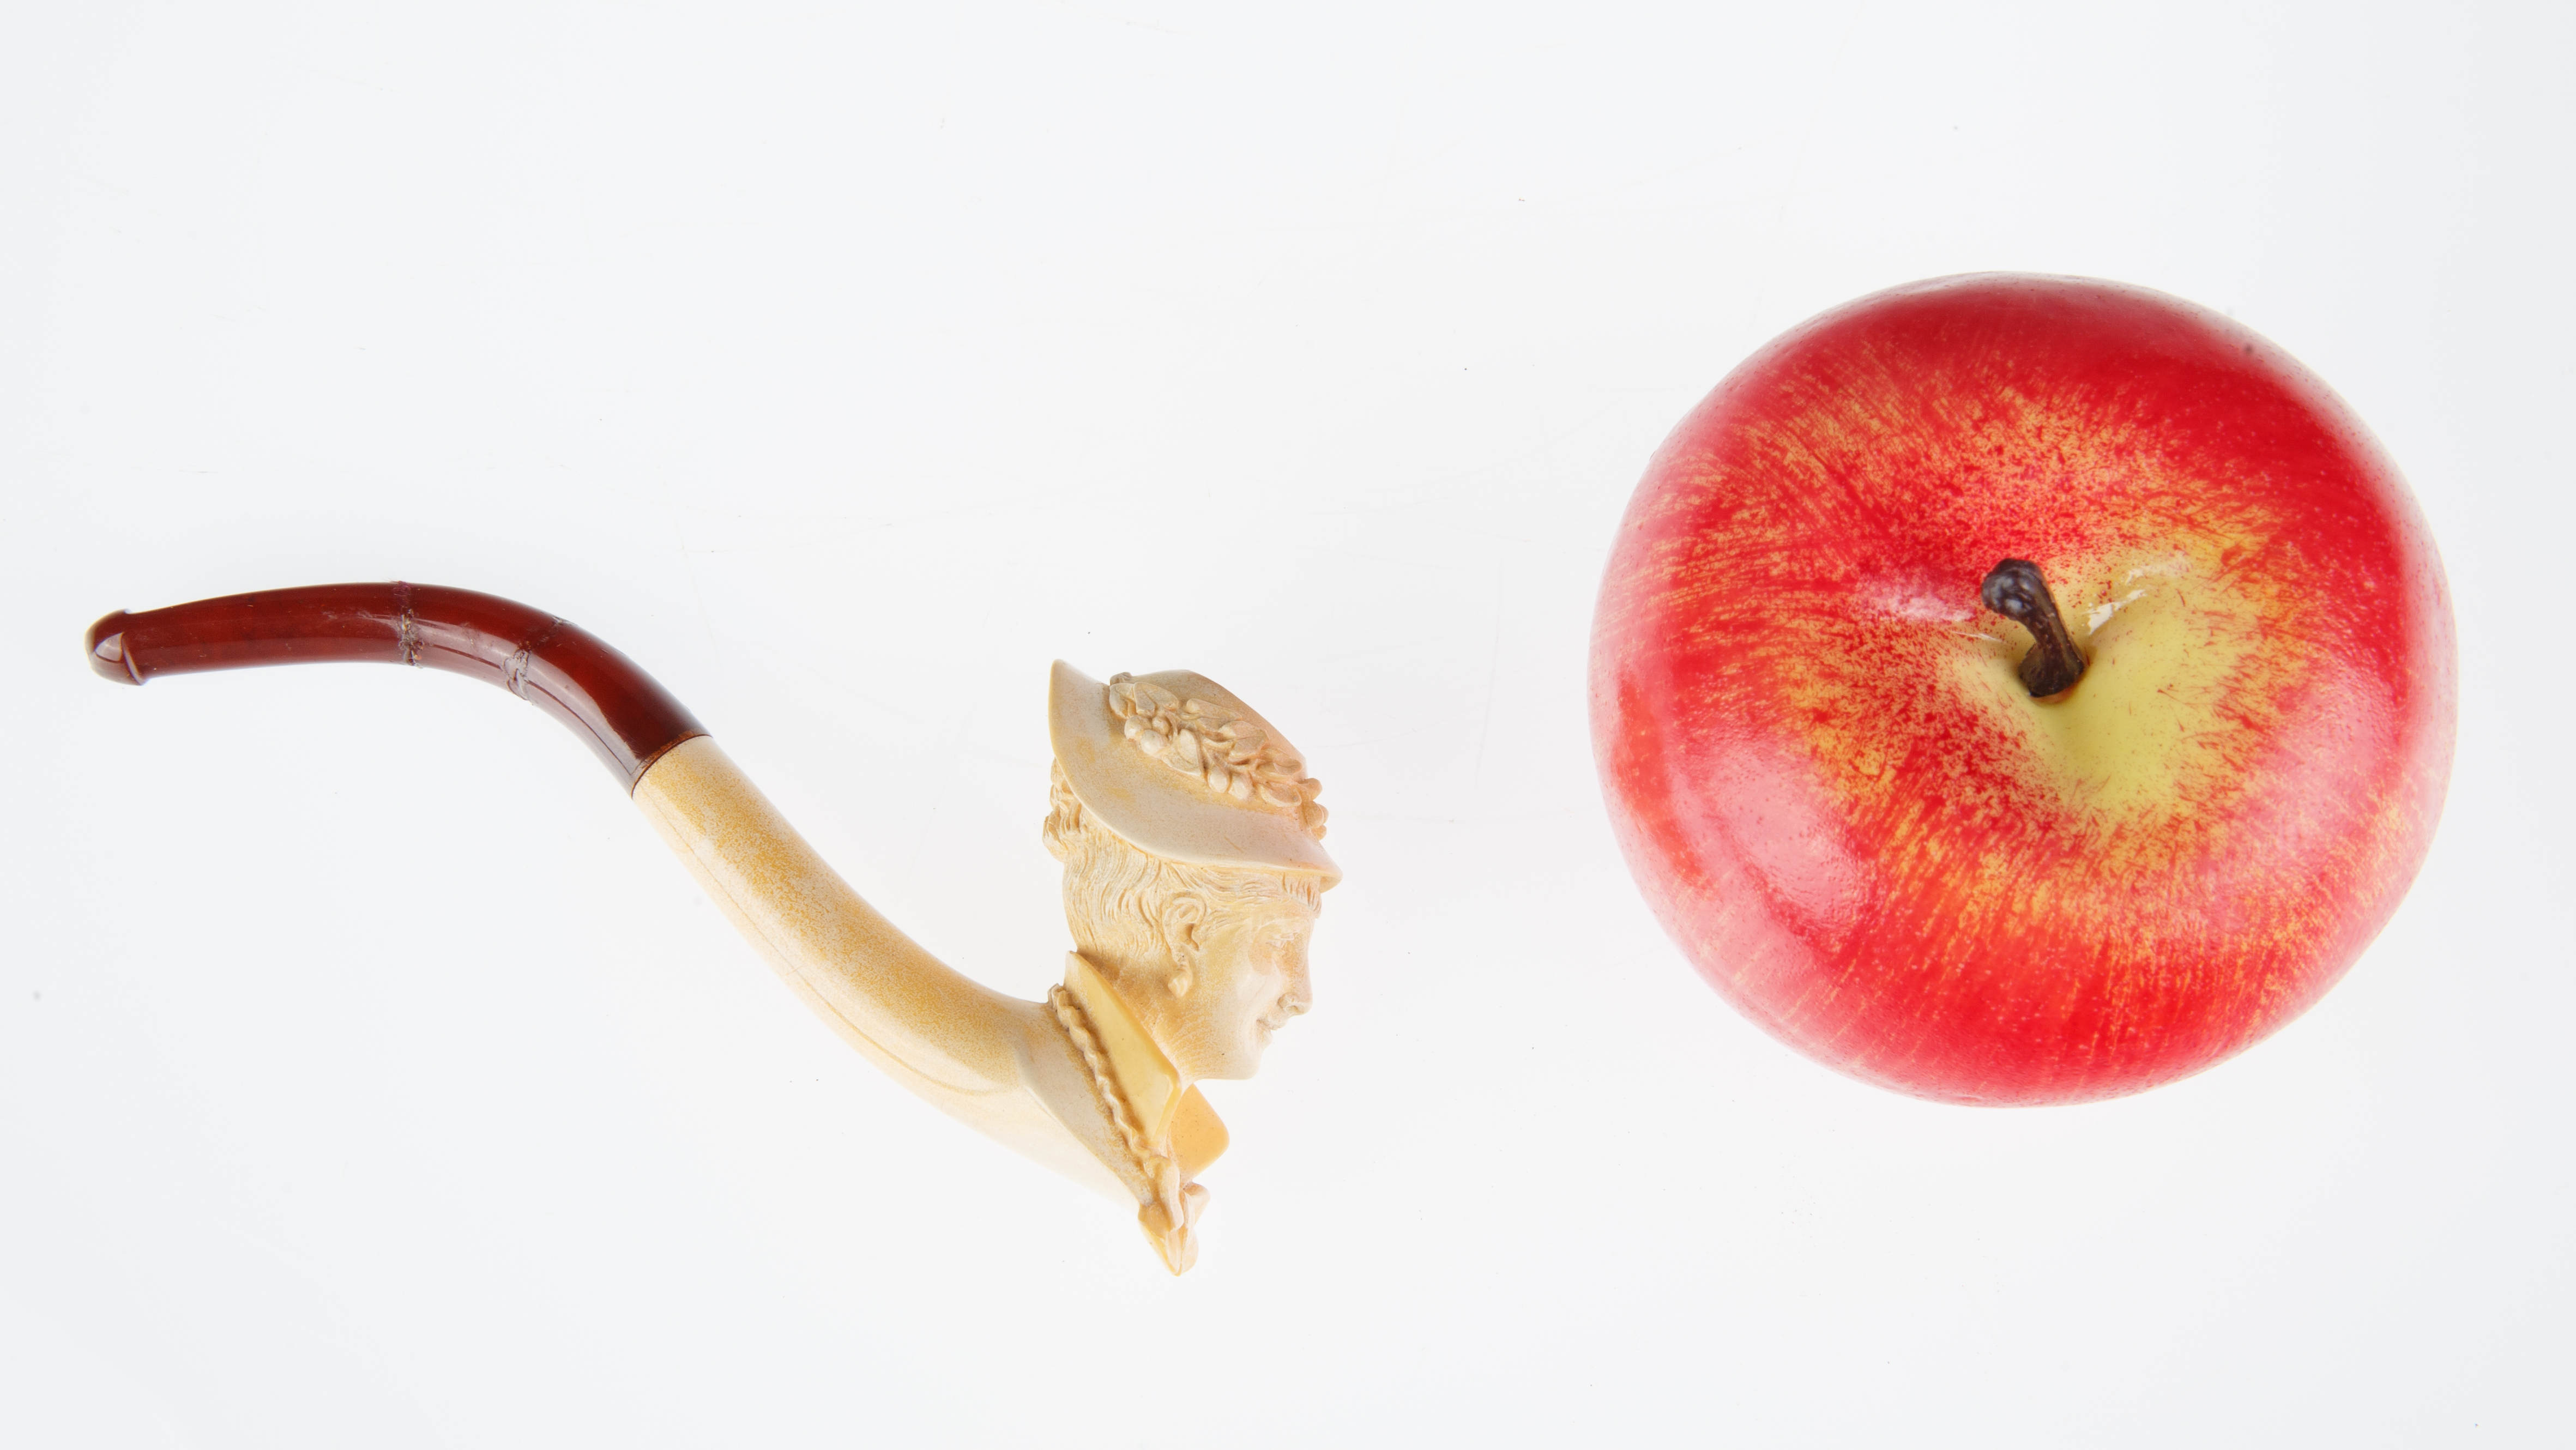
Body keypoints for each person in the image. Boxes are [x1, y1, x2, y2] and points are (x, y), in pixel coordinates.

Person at [632, 662, 1340, 1273]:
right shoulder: (1043, 1082)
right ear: (1185, 932)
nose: (1302, 994)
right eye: (1280, 943)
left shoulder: (1147, 1130)